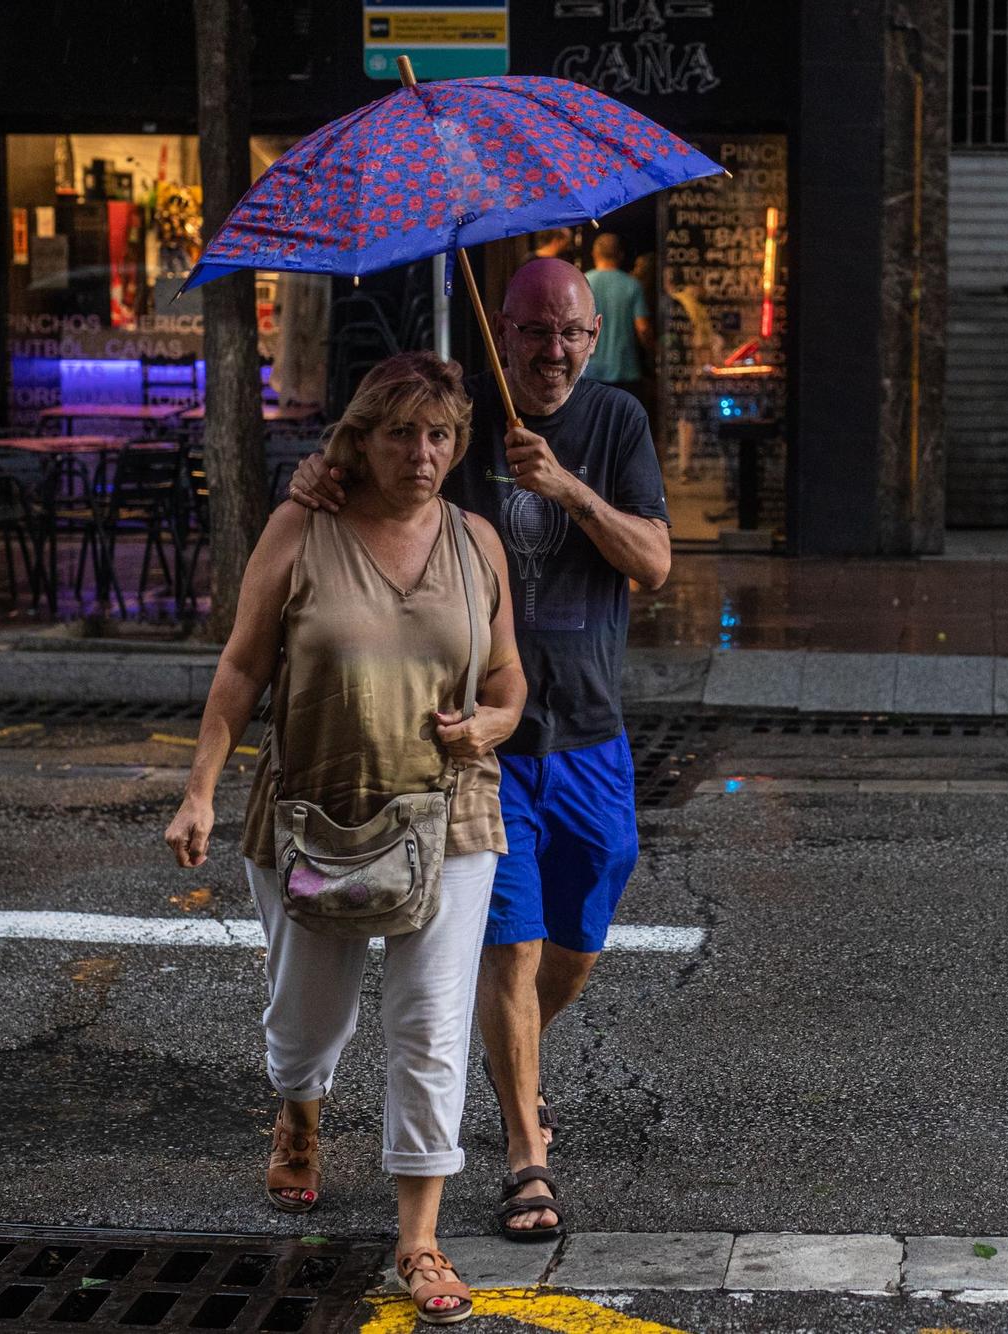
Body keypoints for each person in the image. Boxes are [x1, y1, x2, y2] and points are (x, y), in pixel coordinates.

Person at [287, 258, 671, 1240]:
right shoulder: (454, 428)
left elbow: (655, 563)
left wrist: (566, 486)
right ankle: (524, 1151)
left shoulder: (615, 423)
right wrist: (316, 477)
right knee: (512, 946)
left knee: (574, 948)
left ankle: (507, 1060)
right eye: (534, 331)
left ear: (595, 339)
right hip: (479, 745)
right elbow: (375, 475)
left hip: (588, 740)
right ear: (501, 329)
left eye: (572, 334)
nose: (553, 351)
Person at [165, 351, 524, 1325]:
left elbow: (507, 681)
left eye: (441, 434)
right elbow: (241, 669)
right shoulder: (300, 528)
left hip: (448, 816)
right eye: (402, 431)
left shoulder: (475, 542)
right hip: (310, 813)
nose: (422, 452)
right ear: (359, 437)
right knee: (305, 1021)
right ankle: (299, 1106)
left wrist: (491, 725)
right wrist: (199, 788)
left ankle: (417, 1235)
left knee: (430, 1025)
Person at [583, 234, 653, 404]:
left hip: (589, 372)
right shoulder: (632, 285)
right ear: (620, 255)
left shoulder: (582, 282)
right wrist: (654, 353)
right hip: (626, 371)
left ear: (595, 254)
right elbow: (643, 328)